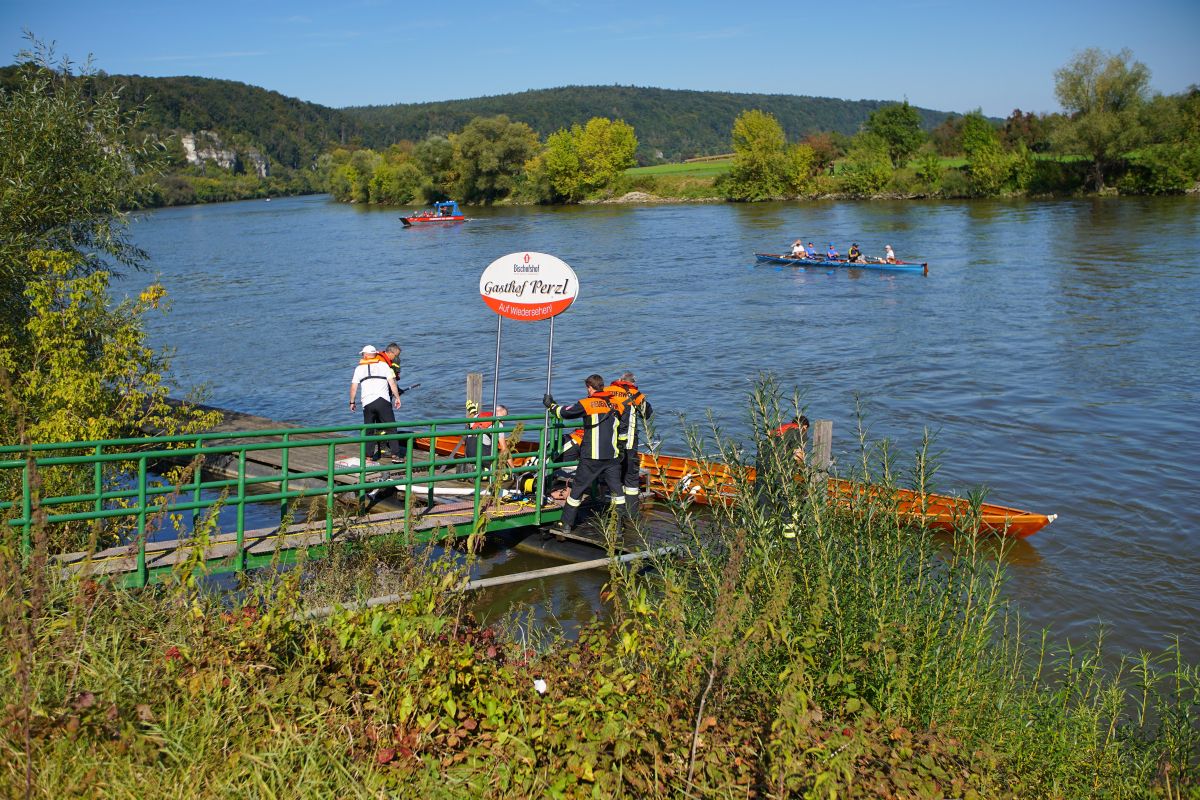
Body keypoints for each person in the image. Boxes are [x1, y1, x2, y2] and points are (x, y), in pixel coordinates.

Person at [543, 374, 625, 535]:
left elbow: (565, 413)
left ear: (590, 387)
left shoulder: (588, 403)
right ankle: (618, 527)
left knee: (577, 490)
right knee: (618, 493)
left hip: (592, 457)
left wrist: (550, 405)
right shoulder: (616, 404)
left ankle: (566, 524)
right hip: (612, 457)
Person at [604, 372, 653, 518]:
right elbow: (647, 413)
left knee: (613, 475)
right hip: (630, 443)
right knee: (631, 477)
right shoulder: (636, 395)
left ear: (619, 380)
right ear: (632, 382)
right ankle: (632, 513)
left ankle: (614, 511)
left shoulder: (606, 391)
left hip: (609, 442)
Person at [349, 345, 403, 463]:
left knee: (369, 430)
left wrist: (352, 402)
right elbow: (392, 383)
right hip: (383, 400)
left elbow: (354, 387)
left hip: (367, 403)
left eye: (363, 354)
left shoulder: (359, 369)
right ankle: (396, 456)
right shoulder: (384, 365)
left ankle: (368, 457)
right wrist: (397, 398)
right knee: (391, 428)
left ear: (366, 355)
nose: (362, 355)